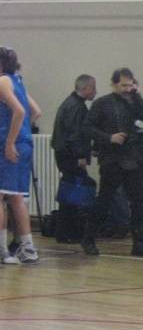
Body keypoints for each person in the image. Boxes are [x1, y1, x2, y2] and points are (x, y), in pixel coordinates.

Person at [80, 68, 143, 258]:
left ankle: (139, 243)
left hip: (134, 159)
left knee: (139, 202)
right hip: (112, 159)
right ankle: (88, 238)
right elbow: (87, 128)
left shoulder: (135, 103)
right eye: (123, 85)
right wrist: (109, 137)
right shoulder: (102, 103)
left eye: (130, 85)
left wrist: (137, 98)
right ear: (114, 84)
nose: (127, 89)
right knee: (105, 199)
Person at [0, 47, 42, 265]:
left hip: (10, 146)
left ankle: (2, 252)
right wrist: (22, 130)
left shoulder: (2, 81)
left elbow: (20, 111)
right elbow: (36, 111)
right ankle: (28, 249)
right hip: (24, 144)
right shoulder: (17, 81)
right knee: (16, 198)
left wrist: (9, 142)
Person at [51, 74, 97, 243]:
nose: (95, 91)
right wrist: (81, 156)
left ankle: (66, 232)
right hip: (70, 156)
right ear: (84, 89)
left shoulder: (71, 104)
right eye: (93, 88)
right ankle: (67, 233)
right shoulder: (76, 107)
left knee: (70, 193)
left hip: (65, 154)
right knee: (72, 195)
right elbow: (75, 134)